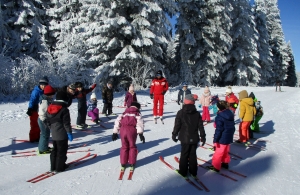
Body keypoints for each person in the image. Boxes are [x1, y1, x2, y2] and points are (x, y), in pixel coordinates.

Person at [172, 94, 206, 178]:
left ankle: (183, 172)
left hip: (184, 138)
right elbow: (200, 126)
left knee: (184, 154)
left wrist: (174, 134)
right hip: (194, 138)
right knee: (193, 154)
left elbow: (177, 125)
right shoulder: (197, 113)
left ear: (185, 102)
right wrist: (203, 136)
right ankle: (193, 172)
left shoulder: (181, 112)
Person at [112, 102, 145, 170]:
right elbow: (140, 124)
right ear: (137, 108)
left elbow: (117, 121)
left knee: (124, 146)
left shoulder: (124, 113)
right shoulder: (137, 114)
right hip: (132, 131)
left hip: (123, 130)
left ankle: (123, 163)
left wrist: (115, 132)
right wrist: (140, 133)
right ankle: (132, 163)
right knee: (132, 146)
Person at [46, 91, 73, 172]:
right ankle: (60, 167)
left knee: (55, 149)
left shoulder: (50, 107)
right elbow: (66, 123)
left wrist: (51, 128)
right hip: (62, 133)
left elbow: (47, 121)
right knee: (62, 150)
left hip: (54, 133)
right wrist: (69, 132)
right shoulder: (64, 109)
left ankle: (53, 166)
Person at [207, 101, 235, 172]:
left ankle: (216, 166)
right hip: (228, 137)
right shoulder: (230, 114)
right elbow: (232, 127)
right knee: (225, 151)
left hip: (222, 138)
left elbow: (219, 130)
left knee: (218, 153)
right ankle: (225, 163)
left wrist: (215, 140)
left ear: (219, 108)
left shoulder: (220, 116)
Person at [26, 76, 49, 142]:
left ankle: (38, 136)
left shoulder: (45, 91)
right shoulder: (36, 91)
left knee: (40, 124)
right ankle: (33, 138)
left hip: (41, 110)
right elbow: (32, 100)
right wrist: (30, 108)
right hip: (34, 109)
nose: (43, 86)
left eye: (44, 85)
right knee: (34, 124)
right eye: (41, 85)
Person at [38, 85, 56, 154]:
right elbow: (42, 112)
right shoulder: (45, 101)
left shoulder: (46, 100)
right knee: (45, 134)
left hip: (44, 119)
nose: (52, 96)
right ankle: (43, 149)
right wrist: (45, 120)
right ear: (48, 94)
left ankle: (43, 146)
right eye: (52, 95)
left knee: (45, 134)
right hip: (43, 120)